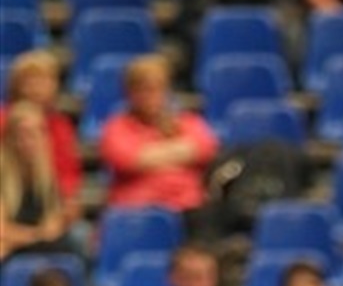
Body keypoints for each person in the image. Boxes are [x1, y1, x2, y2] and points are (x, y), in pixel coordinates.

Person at [96, 56, 220, 230]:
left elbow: (206, 147)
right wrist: (181, 153)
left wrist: (150, 155)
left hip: (188, 209)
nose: (151, 96)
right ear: (130, 93)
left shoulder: (187, 121)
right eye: (144, 89)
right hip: (137, 213)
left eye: (158, 88)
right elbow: (127, 160)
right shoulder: (116, 127)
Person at [0, 52, 83, 239]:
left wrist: (66, 207)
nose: (36, 88)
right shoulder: (3, 121)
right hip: (8, 199)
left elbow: (69, 175)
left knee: (78, 235)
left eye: (43, 81)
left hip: (49, 203)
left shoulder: (61, 126)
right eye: (30, 81)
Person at [0, 105, 75, 270]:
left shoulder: (47, 171)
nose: (28, 142)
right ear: (10, 138)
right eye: (22, 134)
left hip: (38, 246)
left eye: (34, 134)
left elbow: (54, 222)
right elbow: (3, 231)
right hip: (13, 248)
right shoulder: (2, 172)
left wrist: (64, 219)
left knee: (70, 247)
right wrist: (38, 235)